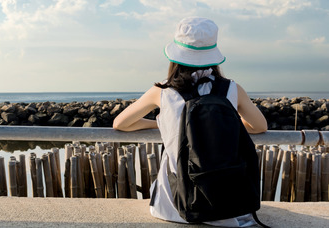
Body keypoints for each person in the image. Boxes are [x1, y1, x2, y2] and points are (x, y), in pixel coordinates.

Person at [113, 17, 267, 227]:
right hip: (224, 203)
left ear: (175, 56)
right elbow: (260, 126)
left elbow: (120, 124)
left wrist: (162, 125)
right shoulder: (232, 89)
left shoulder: (162, 91)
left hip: (173, 205)